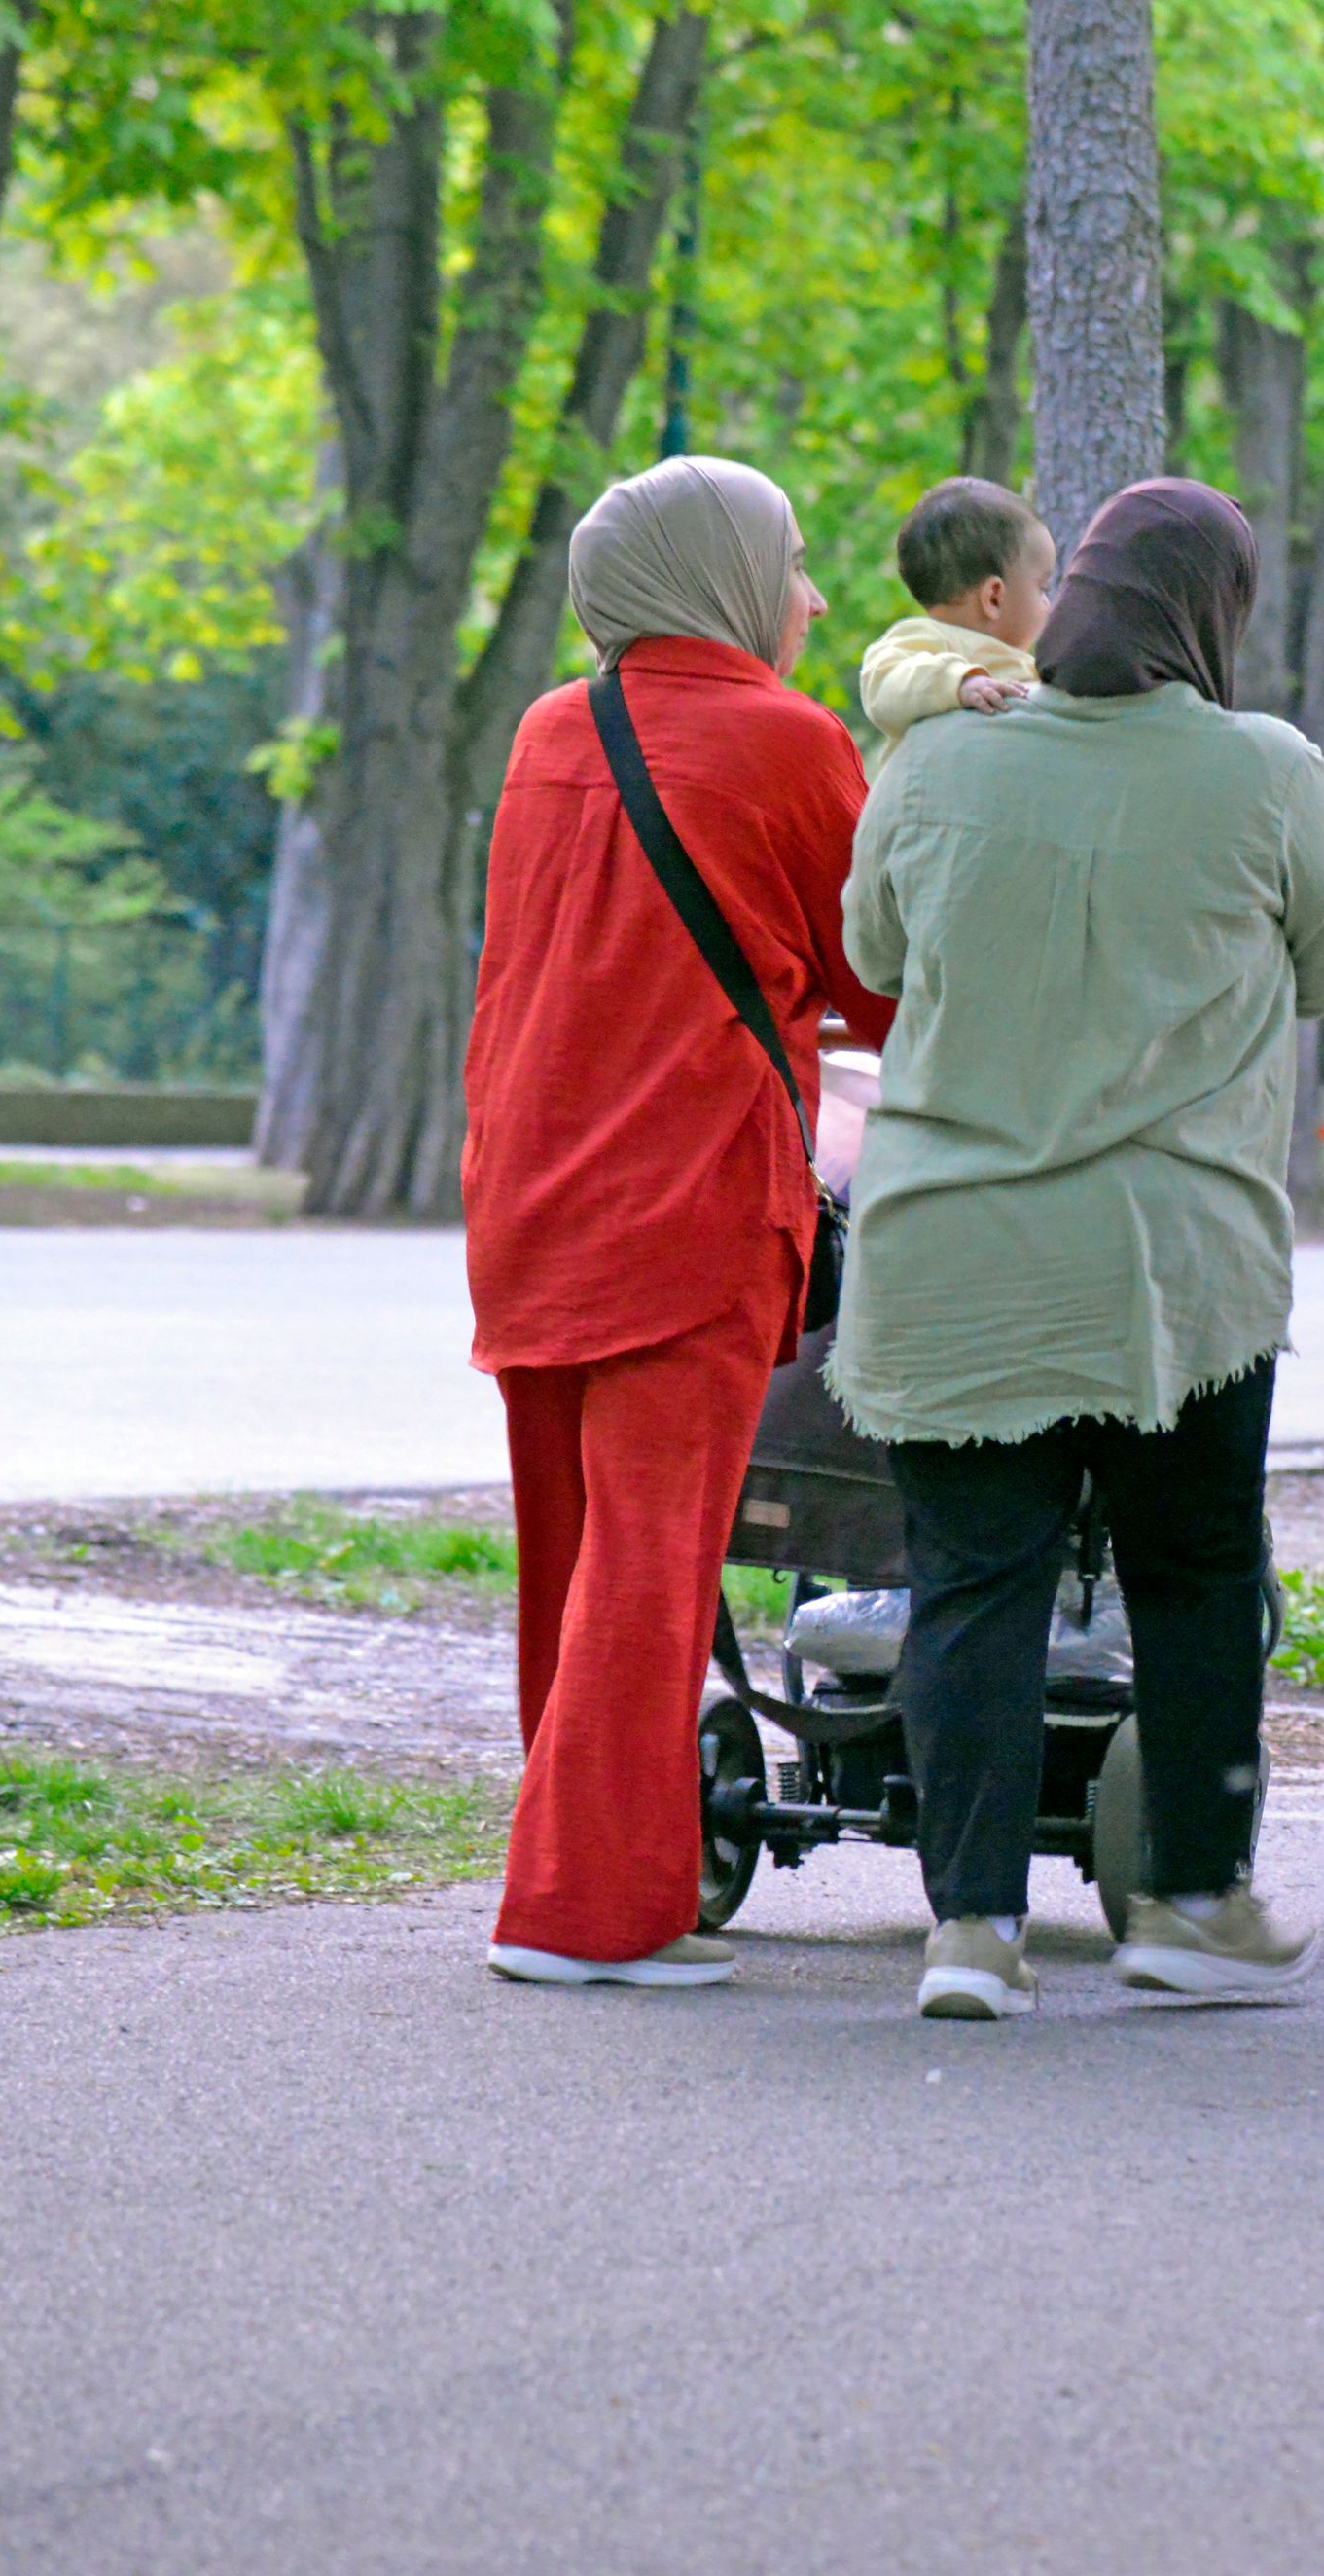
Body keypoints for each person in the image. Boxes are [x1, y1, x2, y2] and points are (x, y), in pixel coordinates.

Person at [834, 476, 1324, 2020]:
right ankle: (1194, 1900)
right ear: (1219, 614)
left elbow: (872, 950)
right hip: (1176, 1266)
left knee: (971, 1585)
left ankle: (973, 1933)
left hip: (952, 1251)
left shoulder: (939, 762)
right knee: (1195, 1574)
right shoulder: (1268, 770)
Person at [467, 454, 896, 1989]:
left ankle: (583, 1864)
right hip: (689, 1205)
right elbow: (878, 984)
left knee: (576, 1564)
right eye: (791, 565)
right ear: (723, 579)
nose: (814, 598)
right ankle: (582, 1914)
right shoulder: (789, 742)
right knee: (652, 1567)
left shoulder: (546, 731)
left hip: (532, 1196)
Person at [857, 477, 1051, 749]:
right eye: (1043, 587)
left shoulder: (1028, 666)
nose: (1048, 604)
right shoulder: (930, 638)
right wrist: (958, 683)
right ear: (994, 597)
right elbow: (883, 683)